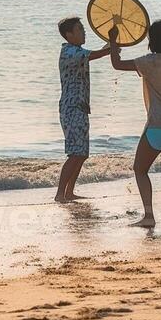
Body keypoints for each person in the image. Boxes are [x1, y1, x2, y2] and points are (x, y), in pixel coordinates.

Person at [108, 20, 161, 228]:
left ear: (153, 40)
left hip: (160, 124)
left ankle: (148, 216)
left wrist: (113, 41)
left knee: (140, 169)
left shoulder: (151, 62)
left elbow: (117, 64)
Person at [55, 17, 110, 203]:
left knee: (82, 153)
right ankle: (60, 193)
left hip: (80, 108)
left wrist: (112, 42)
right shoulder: (69, 52)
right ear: (69, 34)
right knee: (75, 153)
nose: (84, 32)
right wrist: (112, 46)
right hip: (71, 108)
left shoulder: (78, 51)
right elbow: (97, 55)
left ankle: (69, 192)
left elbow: (99, 52)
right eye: (80, 29)